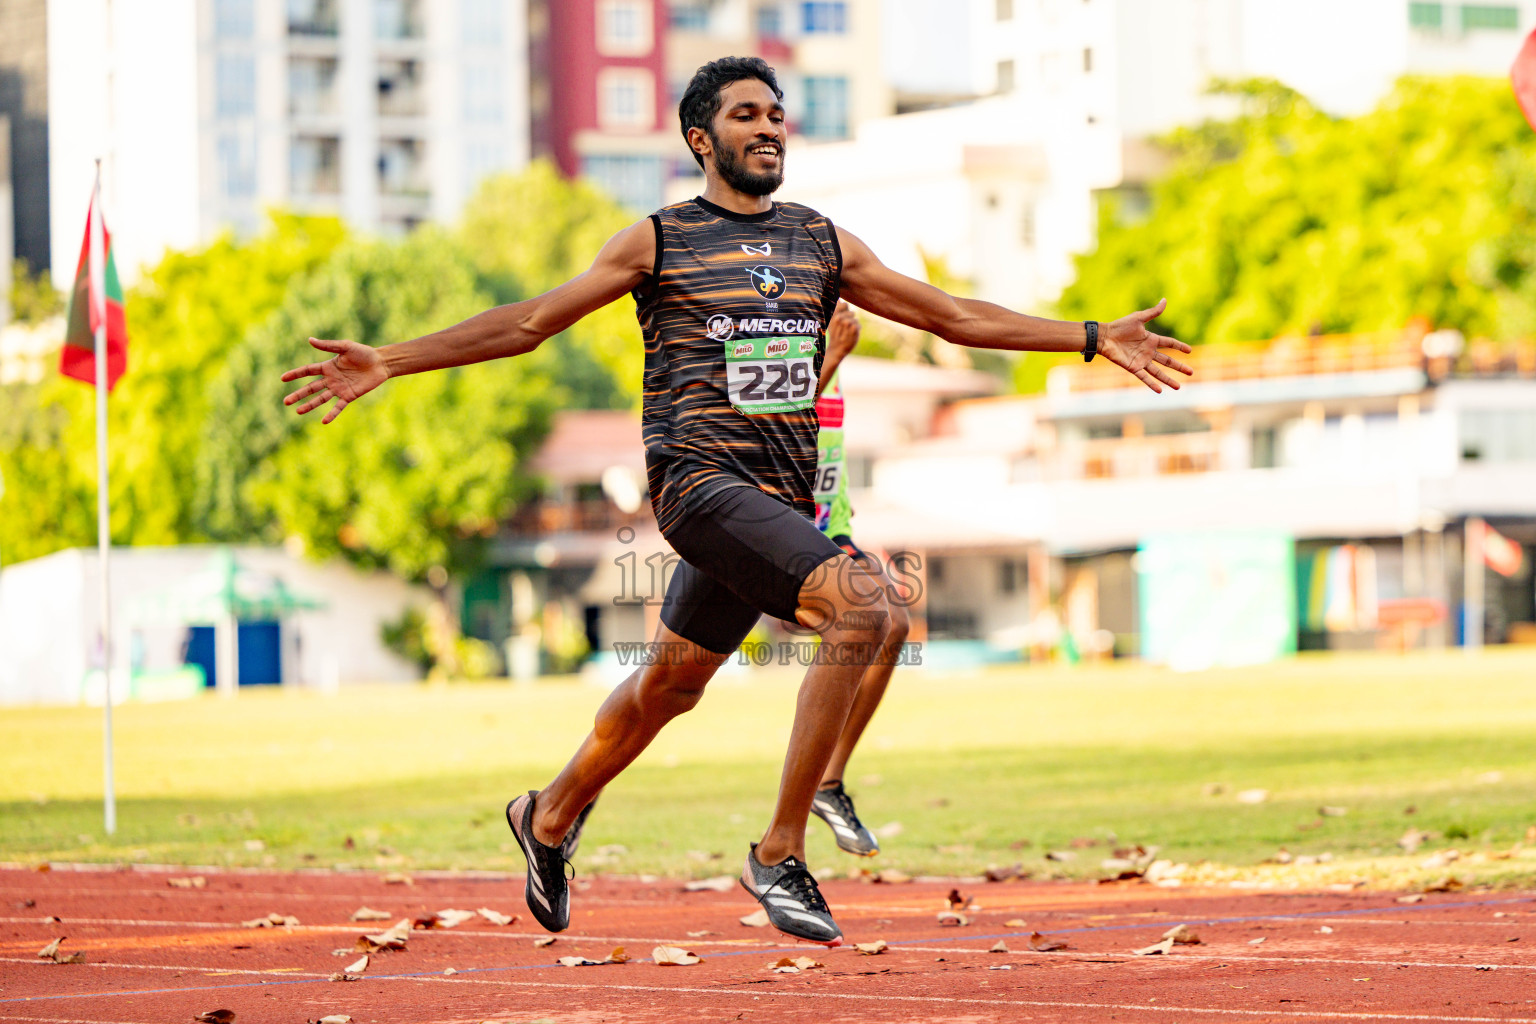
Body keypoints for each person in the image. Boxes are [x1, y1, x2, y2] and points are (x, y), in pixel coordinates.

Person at [280, 56, 1193, 947]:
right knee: (868, 609)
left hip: (777, 507)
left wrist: (1086, 337)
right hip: (699, 487)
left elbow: (951, 314)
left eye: (777, 114)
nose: (769, 127)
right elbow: (528, 324)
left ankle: (548, 814)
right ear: (699, 137)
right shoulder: (659, 239)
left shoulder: (820, 240)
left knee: (671, 686)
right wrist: (392, 360)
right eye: (748, 115)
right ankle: (780, 851)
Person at [805, 301, 903, 858]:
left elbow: (828, 458)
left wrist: (840, 527)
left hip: (827, 529)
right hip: (765, 528)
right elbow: (771, 423)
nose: (842, 305)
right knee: (670, 688)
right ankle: (567, 801)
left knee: (894, 620)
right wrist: (832, 354)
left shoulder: (835, 357)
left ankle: (828, 783)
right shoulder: (790, 349)